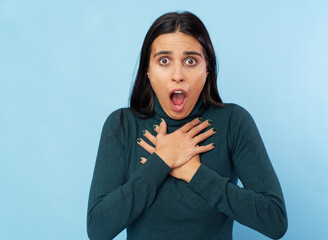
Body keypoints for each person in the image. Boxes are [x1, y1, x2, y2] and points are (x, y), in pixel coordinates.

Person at [87, 11, 288, 240]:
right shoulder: (122, 126)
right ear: (148, 71)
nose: (178, 75)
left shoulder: (233, 122)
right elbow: (98, 229)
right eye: (164, 60)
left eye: (190, 61)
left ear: (207, 69)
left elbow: (275, 221)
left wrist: (194, 173)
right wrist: (161, 162)